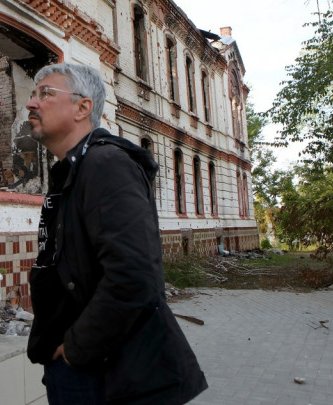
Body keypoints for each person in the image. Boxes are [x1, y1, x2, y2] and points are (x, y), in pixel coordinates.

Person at [25, 62, 208, 405]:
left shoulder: (106, 164)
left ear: (82, 108)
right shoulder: (72, 171)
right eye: (34, 94)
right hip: (85, 366)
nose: (31, 103)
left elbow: (134, 275)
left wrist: (77, 348)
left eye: (45, 93)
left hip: (106, 373)